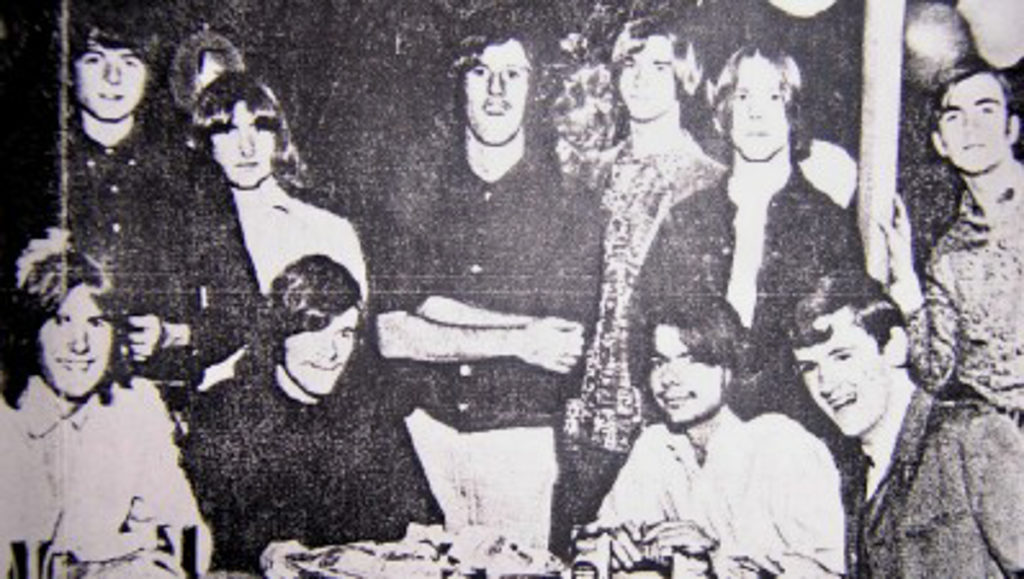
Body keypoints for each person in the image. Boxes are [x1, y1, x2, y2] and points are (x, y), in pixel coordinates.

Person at [376, 11, 593, 549]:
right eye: (480, 71)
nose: (496, 91)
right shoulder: (417, 193)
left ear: (535, 88)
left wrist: (435, 310)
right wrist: (521, 337)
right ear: (458, 83)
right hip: (423, 440)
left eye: (513, 74)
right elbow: (392, 334)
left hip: (519, 448)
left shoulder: (572, 207)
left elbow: (562, 342)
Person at [640, 45, 865, 451]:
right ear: (725, 112)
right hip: (697, 442)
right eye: (743, 97)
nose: (757, 112)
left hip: (798, 444)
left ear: (792, 112)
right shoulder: (686, 219)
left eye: (773, 97)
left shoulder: (828, 223)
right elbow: (647, 334)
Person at [182, 254, 439, 573]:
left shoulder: (370, 409)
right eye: (315, 330)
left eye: (345, 333)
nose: (332, 353)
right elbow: (229, 536)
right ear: (280, 334)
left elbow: (420, 515)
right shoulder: (226, 410)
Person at [580, 299, 844, 577]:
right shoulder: (656, 445)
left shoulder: (782, 445)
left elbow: (830, 570)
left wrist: (717, 560)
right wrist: (613, 543)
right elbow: (608, 530)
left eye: (691, 360)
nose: (668, 378)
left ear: (730, 368)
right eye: (659, 362)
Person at [0, 229, 211, 577]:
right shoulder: (10, 416)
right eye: (61, 321)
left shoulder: (136, 404)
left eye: (96, 323)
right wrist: (110, 560)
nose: (80, 345)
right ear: (30, 331)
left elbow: (186, 533)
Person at [790, 270, 1024, 577]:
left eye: (842, 356)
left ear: (894, 347)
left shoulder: (972, 438)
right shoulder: (853, 476)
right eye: (810, 367)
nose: (826, 384)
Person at [565, 16, 725, 454]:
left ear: (683, 78)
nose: (640, 80)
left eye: (659, 67)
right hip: (582, 402)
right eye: (630, 65)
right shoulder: (587, 173)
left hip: (664, 402)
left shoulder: (709, 181)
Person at [187, 72, 367, 388]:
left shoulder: (328, 230)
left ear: (278, 137)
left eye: (260, 127)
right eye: (228, 131)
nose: (247, 147)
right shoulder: (189, 230)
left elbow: (351, 341)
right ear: (205, 143)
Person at [883, 63, 1024, 426]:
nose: (970, 127)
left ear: (1011, 128)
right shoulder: (948, 254)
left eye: (986, 110)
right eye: (954, 115)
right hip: (995, 445)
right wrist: (910, 293)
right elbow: (937, 375)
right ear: (939, 143)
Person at [63, 12, 194, 373]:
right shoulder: (37, 168)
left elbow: (235, 306)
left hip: (152, 393)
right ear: (68, 73)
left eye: (130, 61)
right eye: (94, 60)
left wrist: (170, 334)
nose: (113, 77)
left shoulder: (188, 173)